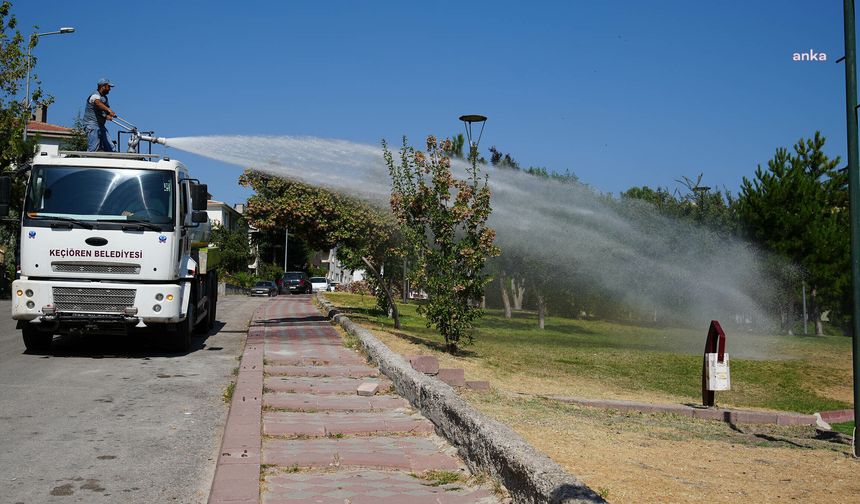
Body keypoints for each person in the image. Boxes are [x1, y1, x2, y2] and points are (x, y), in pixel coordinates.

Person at [84, 78, 117, 152]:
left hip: (100, 125)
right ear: (103, 86)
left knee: (111, 147)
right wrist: (108, 110)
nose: (110, 89)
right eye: (108, 87)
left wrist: (108, 115)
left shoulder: (105, 98)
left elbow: (103, 112)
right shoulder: (94, 95)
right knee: (93, 148)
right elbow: (97, 103)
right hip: (92, 124)